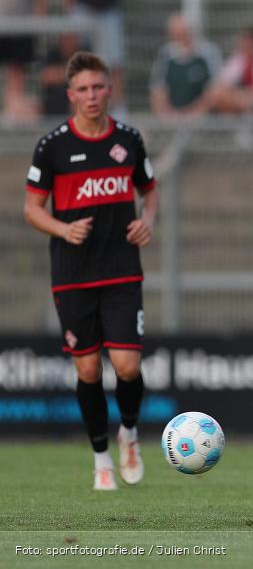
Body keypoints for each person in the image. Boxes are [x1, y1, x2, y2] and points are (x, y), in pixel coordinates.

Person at [23, 51, 157, 491]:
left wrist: (147, 220)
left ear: (109, 89)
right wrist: (63, 228)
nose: (91, 96)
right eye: (82, 89)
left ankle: (130, 434)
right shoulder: (53, 145)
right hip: (73, 273)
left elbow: (149, 190)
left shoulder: (129, 139)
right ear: (71, 95)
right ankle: (101, 458)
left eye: (98, 87)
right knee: (87, 372)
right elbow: (31, 208)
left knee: (127, 366)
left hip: (121, 269)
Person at [67, 0, 134, 114]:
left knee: (114, 65)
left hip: (108, 13)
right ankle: (77, 113)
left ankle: (119, 116)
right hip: (81, 10)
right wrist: (69, 14)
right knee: (77, 64)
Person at [149, 13, 222, 121]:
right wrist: (167, 116)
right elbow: (157, 89)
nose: (180, 39)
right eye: (175, 35)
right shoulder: (165, 54)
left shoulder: (208, 52)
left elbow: (217, 87)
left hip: (203, 117)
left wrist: (193, 114)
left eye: (183, 33)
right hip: (172, 117)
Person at [0, 0, 46, 122]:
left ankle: (14, 111)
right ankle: (10, 107)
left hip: (22, 24)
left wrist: (38, 22)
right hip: (3, 23)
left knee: (17, 68)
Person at [40, 33, 82, 117]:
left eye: (71, 38)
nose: (68, 42)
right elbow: (47, 77)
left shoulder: (82, 54)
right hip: (53, 104)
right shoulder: (52, 54)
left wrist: (59, 74)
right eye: (65, 38)